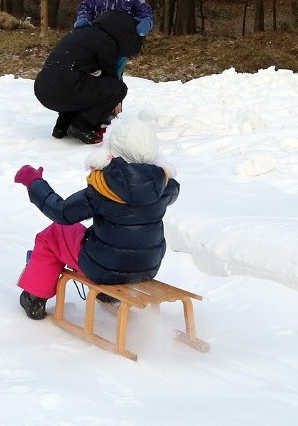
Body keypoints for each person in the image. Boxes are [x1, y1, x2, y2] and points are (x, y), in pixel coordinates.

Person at [13, 117, 180, 320]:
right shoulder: (165, 186)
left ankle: (34, 296)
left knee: (54, 234)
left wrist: (34, 183)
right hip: (147, 267)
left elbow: (62, 213)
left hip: (102, 268)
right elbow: (161, 192)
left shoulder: (104, 187)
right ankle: (108, 296)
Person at [34, 9, 143, 144]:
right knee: (118, 88)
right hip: (65, 87)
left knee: (80, 85)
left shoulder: (80, 33)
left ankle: (62, 125)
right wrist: (114, 102)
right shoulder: (106, 41)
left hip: (43, 89)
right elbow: (110, 76)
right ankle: (82, 122)